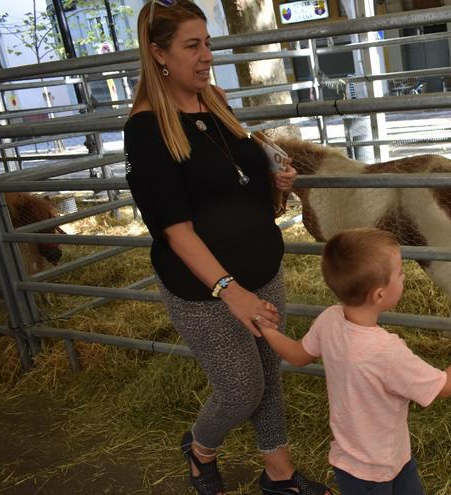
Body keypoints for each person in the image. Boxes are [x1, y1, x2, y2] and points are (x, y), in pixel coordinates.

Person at [123, 2, 330, 494]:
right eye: (191, 46)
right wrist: (229, 290)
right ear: (159, 54)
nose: (206, 56)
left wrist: (275, 181)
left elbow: (236, 181)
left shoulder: (214, 100)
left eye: (208, 43)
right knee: (242, 388)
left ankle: (279, 477)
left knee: (267, 374)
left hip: (262, 266)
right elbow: (174, 229)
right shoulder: (147, 129)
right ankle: (200, 447)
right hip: (203, 288)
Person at [258, 228, 451, 494]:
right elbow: (445, 386)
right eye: (400, 273)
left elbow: (297, 355)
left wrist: (267, 330)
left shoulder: (330, 319)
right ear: (379, 295)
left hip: (368, 463)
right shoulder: (386, 351)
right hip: (376, 470)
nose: (403, 277)